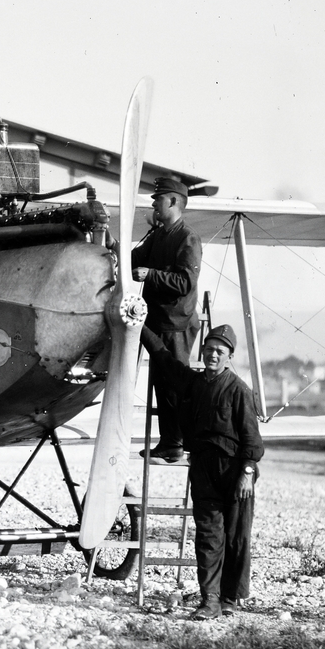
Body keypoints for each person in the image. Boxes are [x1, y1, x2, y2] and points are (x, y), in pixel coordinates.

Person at [138, 322, 263, 620]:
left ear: (229, 356)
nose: (213, 356)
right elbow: (164, 358)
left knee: (235, 537)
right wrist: (141, 325)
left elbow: (253, 441)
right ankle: (210, 600)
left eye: (219, 351)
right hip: (203, 469)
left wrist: (247, 472)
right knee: (208, 535)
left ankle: (231, 597)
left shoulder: (240, 391)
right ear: (202, 351)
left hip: (235, 471)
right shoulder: (193, 383)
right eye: (209, 350)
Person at [129, 176, 202, 463]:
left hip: (176, 324)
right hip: (160, 323)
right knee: (164, 383)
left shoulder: (188, 238)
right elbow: (135, 258)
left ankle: (176, 443)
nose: (153, 204)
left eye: (157, 199)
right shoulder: (160, 235)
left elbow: (186, 282)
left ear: (172, 201)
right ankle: (170, 442)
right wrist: (112, 246)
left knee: (174, 384)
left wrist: (150, 274)